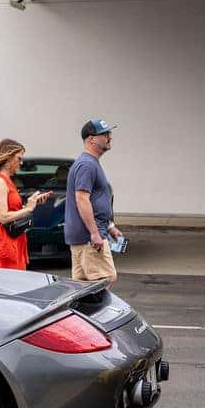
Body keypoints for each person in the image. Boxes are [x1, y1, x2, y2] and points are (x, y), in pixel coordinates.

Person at [65, 118, 123, 286]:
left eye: (109, 133)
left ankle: (82, 312)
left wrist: (110, 226)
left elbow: (94, 200)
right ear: (91, 139)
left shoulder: (89, 163)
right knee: (104, 281)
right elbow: (82, 199)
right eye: (104, 134)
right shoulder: (87, 165)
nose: (109, 136)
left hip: (85, 238)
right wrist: (95, 233)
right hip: (89, 239)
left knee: (84, 287)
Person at [0, 139, 51, 270]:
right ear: (8, 158)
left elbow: (10, 210)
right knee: (7, 282)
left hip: (11, 236)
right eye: (19, 159)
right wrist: (28, 209)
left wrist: (31, 203)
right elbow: (3, 216)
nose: (21, 163)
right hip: (2, 239)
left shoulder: (6, 180)